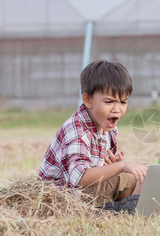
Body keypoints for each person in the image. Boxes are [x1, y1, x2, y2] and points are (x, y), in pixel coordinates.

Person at [38, 59, 148, 213]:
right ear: (88, 100)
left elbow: (94, 170)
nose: (117, 109)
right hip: (62, 197)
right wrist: (120, 166)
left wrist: (109, 166)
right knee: (127, 172)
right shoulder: (76, 129)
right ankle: (126, 208)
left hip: (84, 190)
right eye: (109, 101)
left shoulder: (107, 128)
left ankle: (128, 205)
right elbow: (79, 179)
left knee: (136, 173)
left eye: (123, 102)